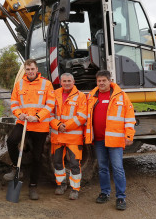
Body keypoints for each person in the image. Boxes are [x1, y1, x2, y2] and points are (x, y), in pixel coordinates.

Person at [3, 58, 55, 200]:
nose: (30, 72)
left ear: (37, 69)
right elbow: (14, 103)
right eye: (28, 69)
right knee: (12, 141)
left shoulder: (47, 84)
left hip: (39, 125)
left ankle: (33, 186)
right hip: (23, 121)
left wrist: (37, 117)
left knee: (37, 157)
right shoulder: (19, 85)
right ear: (25, 71)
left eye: (32, 69)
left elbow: (50, 104)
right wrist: (21, 114)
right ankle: (16, 168)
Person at [85, 70, 135, 210]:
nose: (101, 83)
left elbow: (130, 117)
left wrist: (129, 135)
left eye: (103, 81)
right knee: (102, 168)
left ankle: (120, 197)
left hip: (115, 140)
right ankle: (104, 193)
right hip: (99, 140)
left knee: (118, 168)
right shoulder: (91, 96)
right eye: (99, 81)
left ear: (109, 81)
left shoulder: (121, 96)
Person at [49, 73, 87, 200]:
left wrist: (65, 126)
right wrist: (58, 125)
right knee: (58, 162)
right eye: (64, 81)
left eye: (69, 81)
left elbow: (82, 116)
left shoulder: (81, 96)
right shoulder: (54, 94)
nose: (66, 83)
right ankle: (61, 185)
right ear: (60, 82)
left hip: (73, 137)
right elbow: (49, 114)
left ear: (73, 81)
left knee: (74, 164)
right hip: (58, 136)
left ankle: (75, 189)